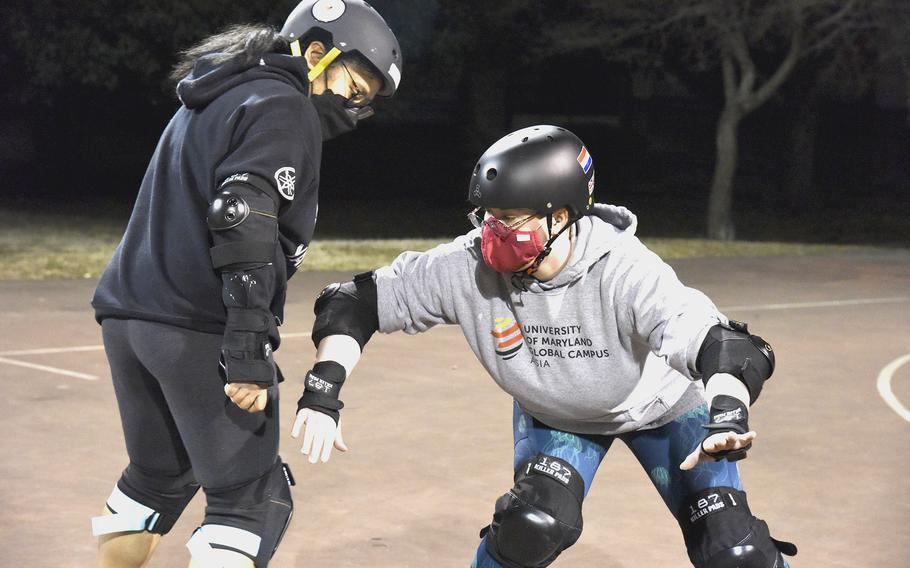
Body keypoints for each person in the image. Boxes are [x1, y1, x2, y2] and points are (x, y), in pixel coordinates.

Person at [283, 125, 799, 567]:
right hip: (558, 415)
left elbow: (720, 343)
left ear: (564, 216)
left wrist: (728, 410)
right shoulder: (469, 267)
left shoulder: (624, 270)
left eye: (514, 219)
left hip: (662, 408)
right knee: (532, 524)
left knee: (736, 553)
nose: (494, 234)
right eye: (489, 217)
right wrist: (324, 387)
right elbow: (353, 302)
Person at [89, 1, 402, 566]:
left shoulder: (220, 93)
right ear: (314, 53)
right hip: (197, 325)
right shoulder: (285, 106)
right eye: (355, 86)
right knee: (250, 506)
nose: (356, 108)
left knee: (156, 483)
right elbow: (243, 218)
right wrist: (248, 348)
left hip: (131, 318)